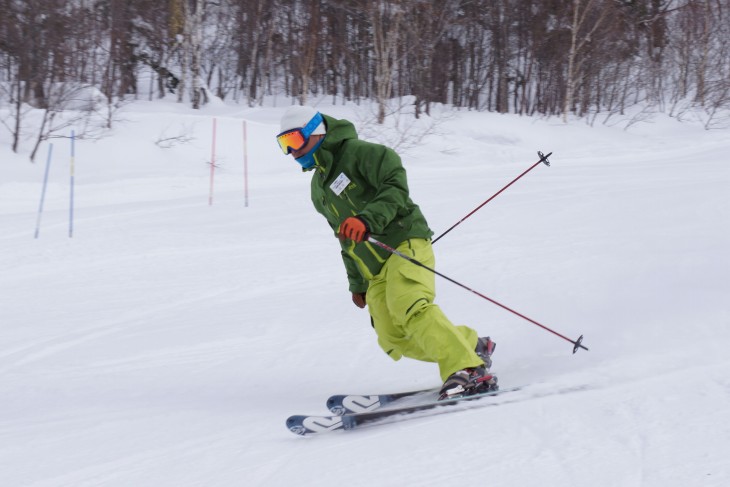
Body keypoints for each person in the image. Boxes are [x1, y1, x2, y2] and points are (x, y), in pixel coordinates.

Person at [275, 105, 497, 398]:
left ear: (316, 131)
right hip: (374, 268)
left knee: (410, 306)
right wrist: (357, 283)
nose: (291, 151)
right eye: (284, 145)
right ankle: (471, 344)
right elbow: (344, 239)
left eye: (293, 140)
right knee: (393, 337)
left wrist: (368, 219)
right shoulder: (319, 189)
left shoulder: (362, 154)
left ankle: (467, 368)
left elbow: (394, 187)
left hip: (404, 241)